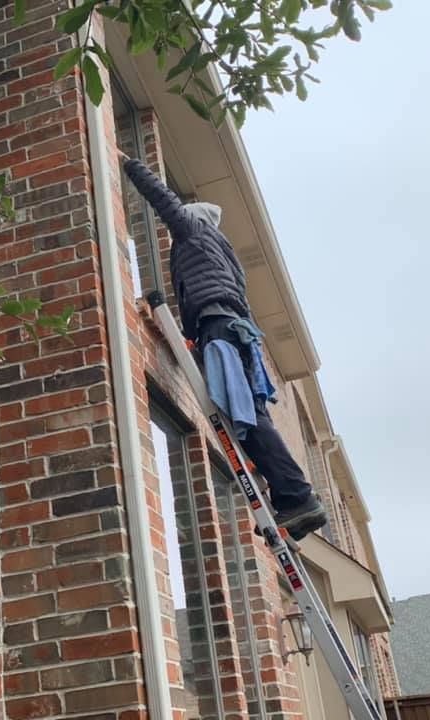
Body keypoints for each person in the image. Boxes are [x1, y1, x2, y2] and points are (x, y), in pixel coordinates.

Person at [123, 157, 328, 541]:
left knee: (245, 416)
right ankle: (291, 500)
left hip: (220, 329)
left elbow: (164, 202)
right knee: (249, 416)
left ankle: (297, 494)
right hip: (233, 331)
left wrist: (132, 166)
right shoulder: (224, 254)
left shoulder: (194, 232)